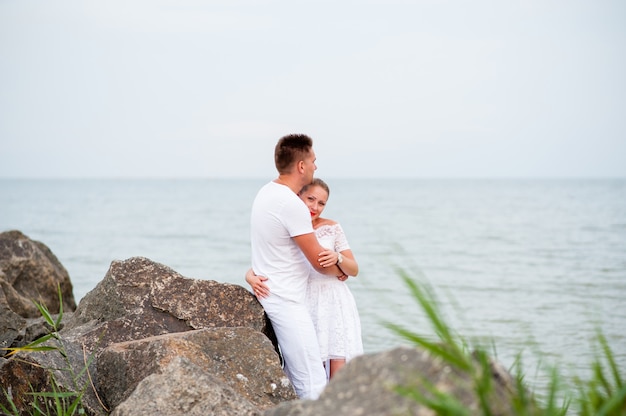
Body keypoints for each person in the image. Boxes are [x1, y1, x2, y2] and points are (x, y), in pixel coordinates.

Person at [249, 134, 346, 400]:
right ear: (301, 166)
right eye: (313, 161)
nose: (316, 166)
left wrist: (250, 273)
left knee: (299, 377)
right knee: (312, 382)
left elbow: (266, 248)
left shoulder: (266, 192)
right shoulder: (291, 204)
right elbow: (319, 262)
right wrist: (343, 269)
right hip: (286, 299)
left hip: (277, 293)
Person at [247, 178, 363, 380]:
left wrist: (338, 258)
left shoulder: (332, 227)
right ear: (298, 196)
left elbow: (353, 269)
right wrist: (250, 277)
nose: (315, 207)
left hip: (333, 299)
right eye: (310, 199)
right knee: (310, 363)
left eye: (321, 203)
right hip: (303, 297)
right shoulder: (290, 226)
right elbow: (265, 261)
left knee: (337, 363)